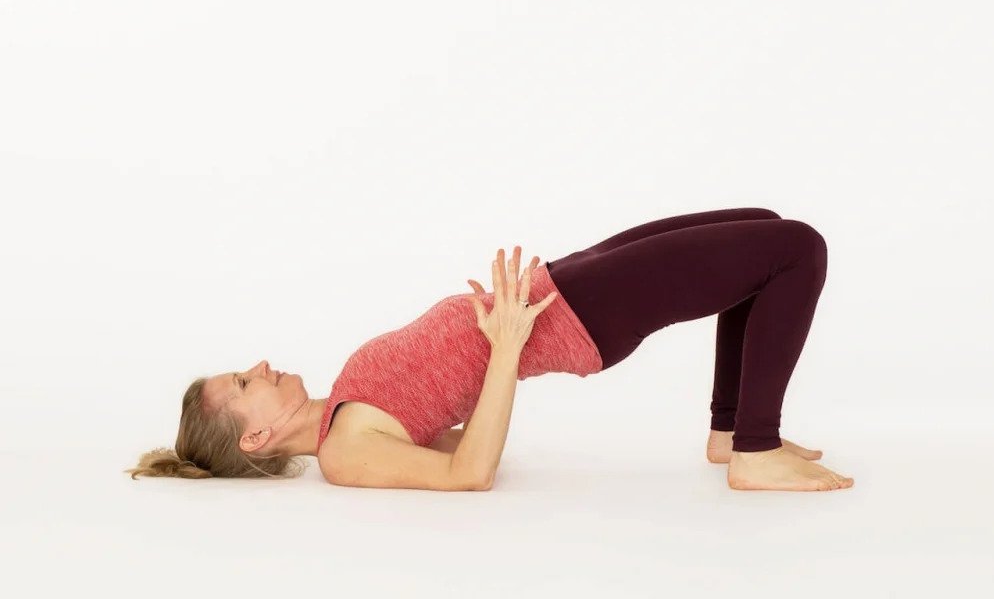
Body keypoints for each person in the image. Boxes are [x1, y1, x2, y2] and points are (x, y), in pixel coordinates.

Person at [125, 206, 854, 491]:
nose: (259, 366)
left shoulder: (342, 401)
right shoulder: (345, 454)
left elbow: (445, 408)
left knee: (761, 226)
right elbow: (470, 472)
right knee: (796, 250)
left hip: (557, 285)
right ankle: (755, 451)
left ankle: (731, 431)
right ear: (255, 434)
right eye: (245, 382)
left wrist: (504, 326)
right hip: (577, 320)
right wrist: (507, 347)